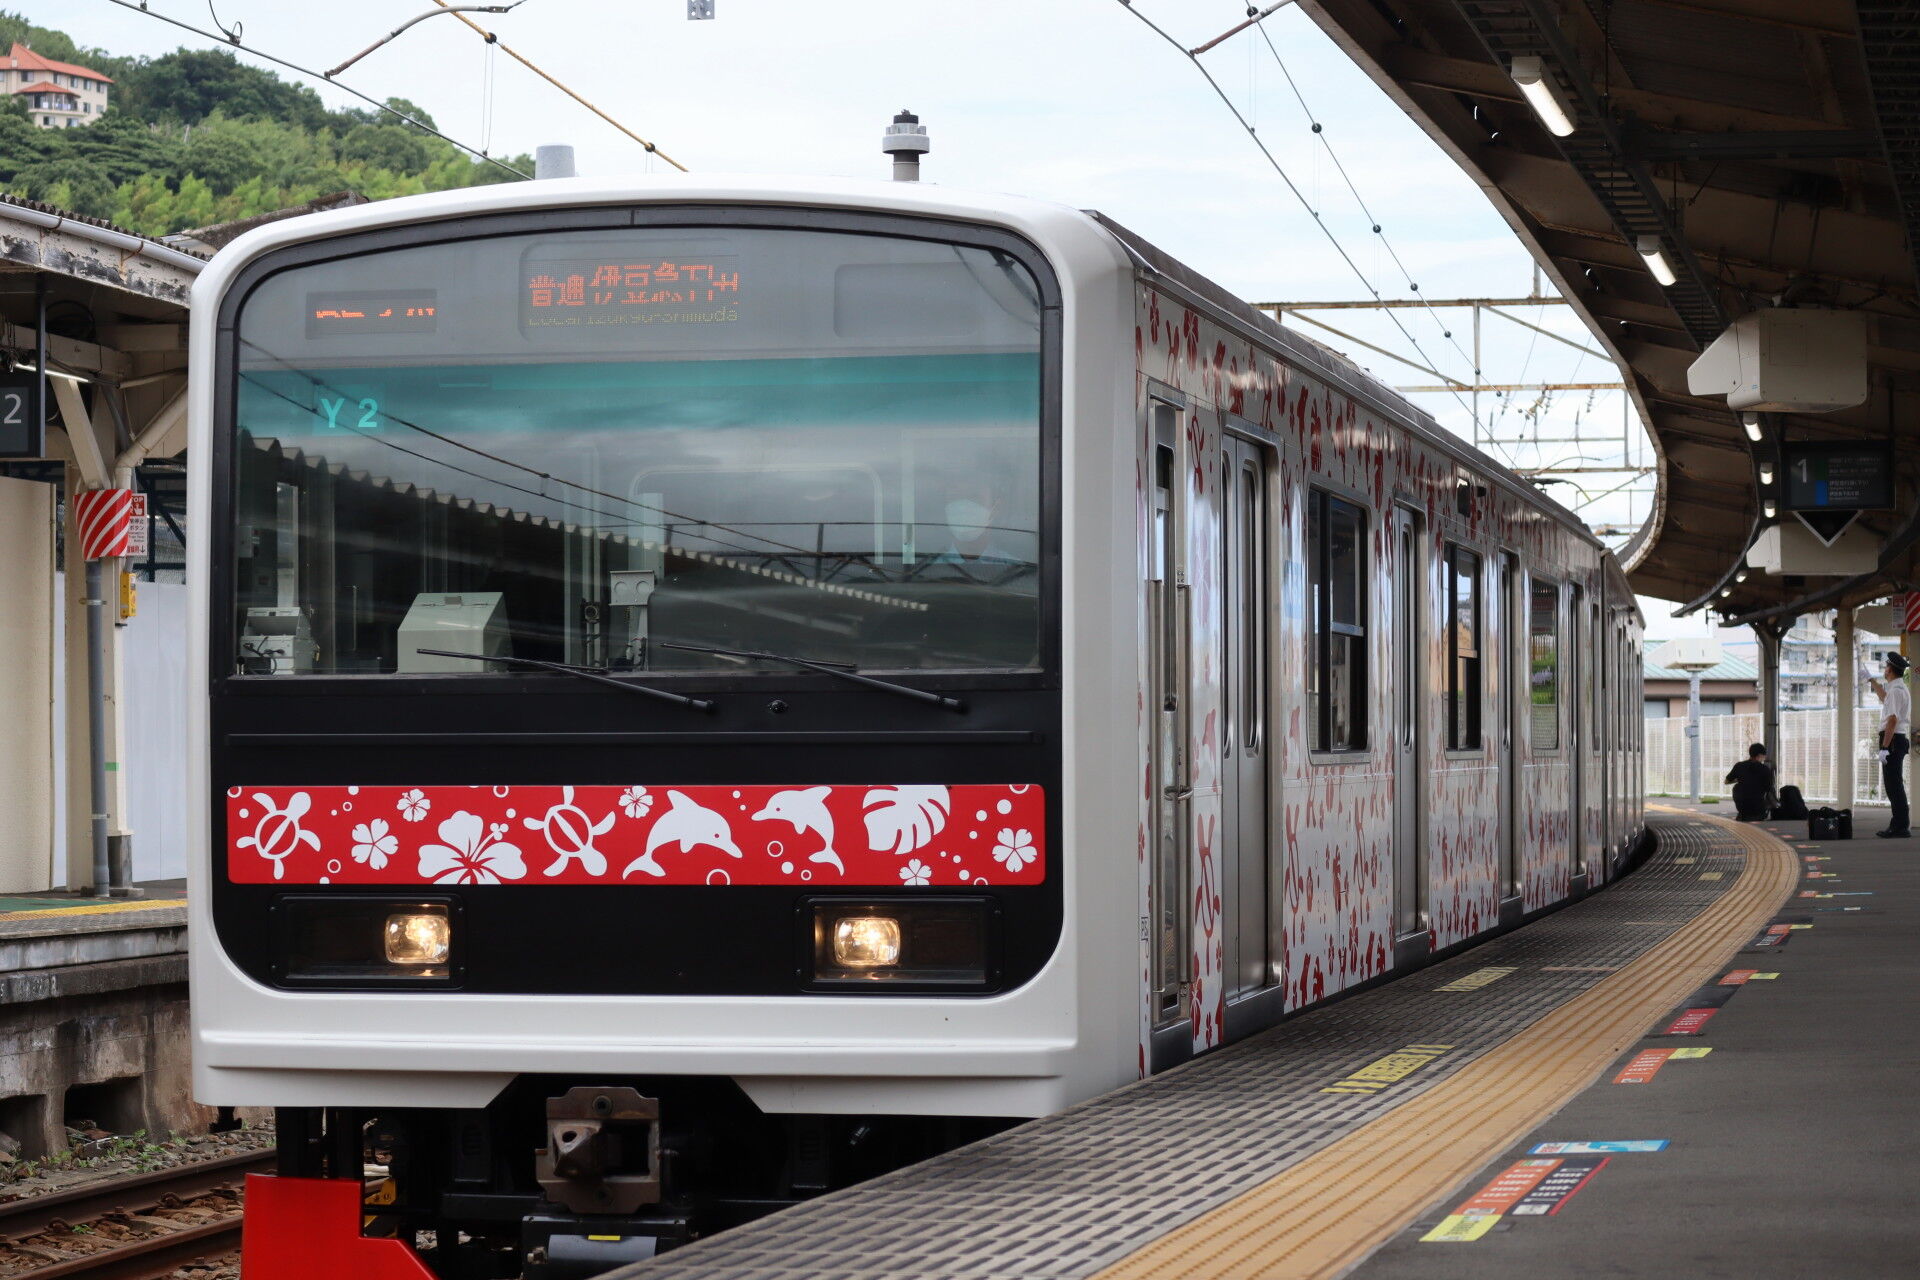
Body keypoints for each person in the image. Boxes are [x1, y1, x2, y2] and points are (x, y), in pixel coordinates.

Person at [1876, 653, 1911, 838]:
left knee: (1894, 785)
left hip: (1893, 740)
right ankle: (1899, 825)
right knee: (1894, 784)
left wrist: (1884, 747)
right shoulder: (1896, 689)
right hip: (1895, 740)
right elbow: (1884, 698)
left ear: (1890, 669)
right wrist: (1872, 681)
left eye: (1886, 666)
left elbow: (1892, 720)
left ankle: (1900, 826)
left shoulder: (1897, 691)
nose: (1884, 669)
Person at [1724, 743, 1776, 823]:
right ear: (1759, 755)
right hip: (1757, 807)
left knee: (1737, 788)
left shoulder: (1739, 766)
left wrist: (1740, 779)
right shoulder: (1765, 769)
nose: (1764, 758)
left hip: (1742, 806)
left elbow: (1726, 781)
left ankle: (1744, 816)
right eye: (1764, 756)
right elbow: (1769, 788)